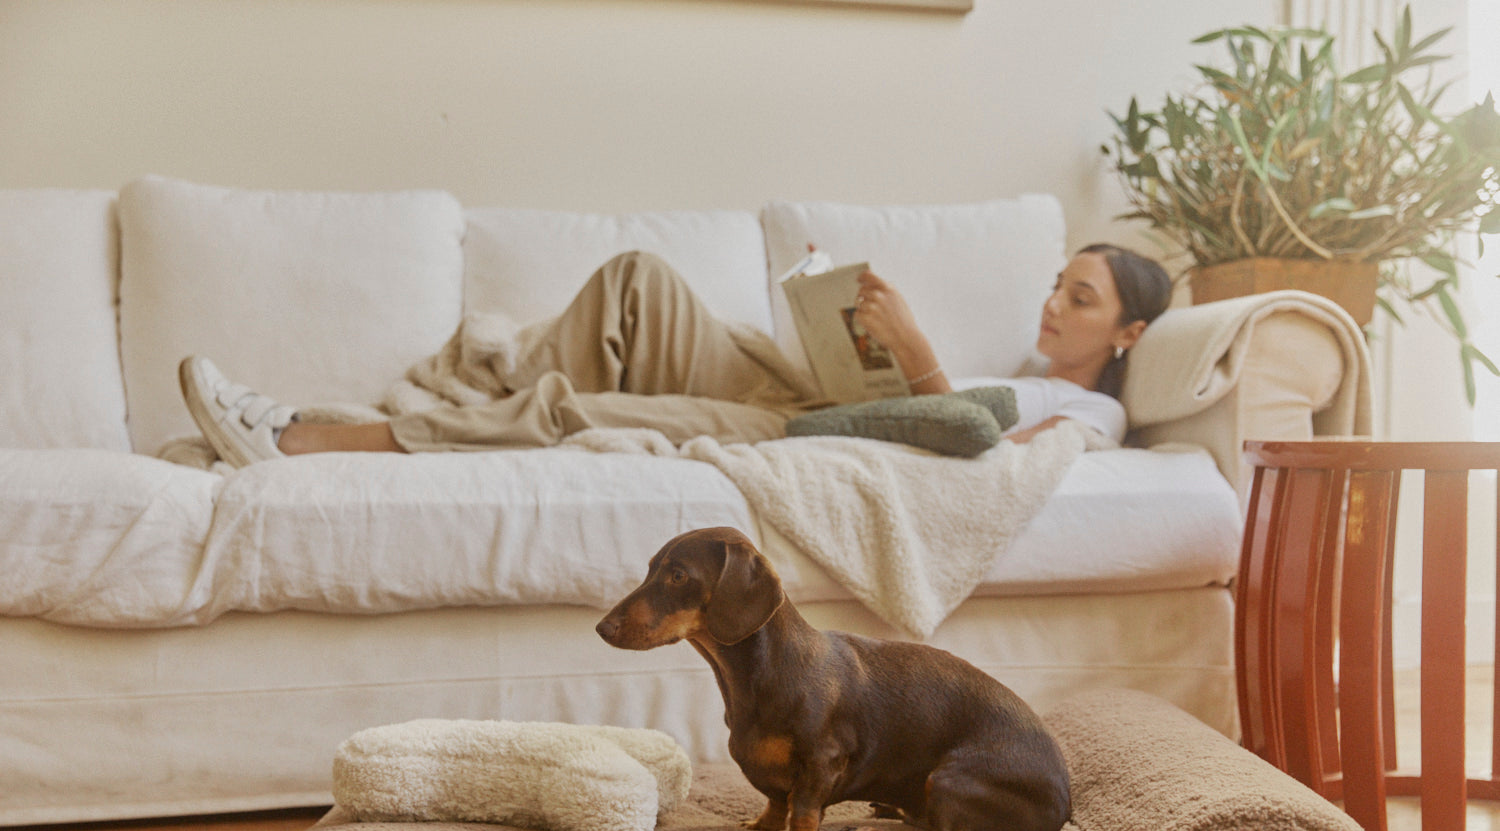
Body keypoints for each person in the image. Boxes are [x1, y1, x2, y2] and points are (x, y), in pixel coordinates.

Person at [178, 244, 1170, 467]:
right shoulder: (1023, 360)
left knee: (587, 409)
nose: (1051, 303)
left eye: (1078, 298)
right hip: (815, 393)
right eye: (1055, 282)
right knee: (638, 282)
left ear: (1127, 335)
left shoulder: (1099, 418)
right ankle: (453, 396)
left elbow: (981, 452)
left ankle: (306, 439)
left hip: (807, 435)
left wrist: (914, 356)